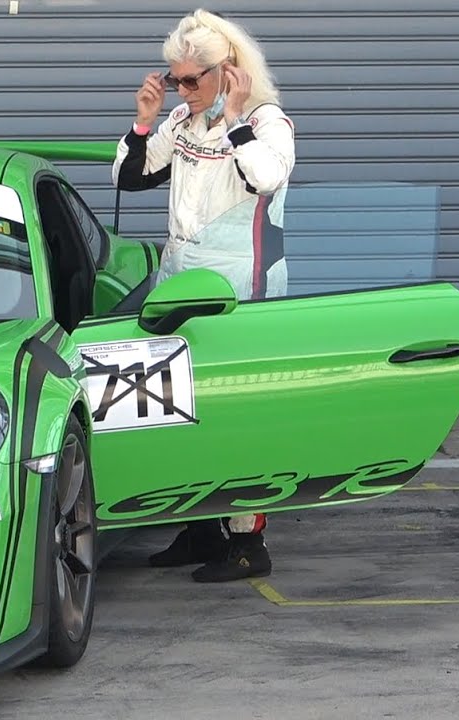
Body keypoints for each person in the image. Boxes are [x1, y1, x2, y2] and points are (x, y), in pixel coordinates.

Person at [110, 8, 296, 583]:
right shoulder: (182, 122)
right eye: (175, 80)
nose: (183, 90)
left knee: (237, 411)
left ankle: (247, 544)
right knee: (179, 405)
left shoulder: (267, 122)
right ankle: (198, 529)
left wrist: (235, 120)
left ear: (229, 71)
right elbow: (130, 178)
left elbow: (265, 178)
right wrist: (144, 122)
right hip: (179, 283)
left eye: (193, 79)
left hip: (240, 287)